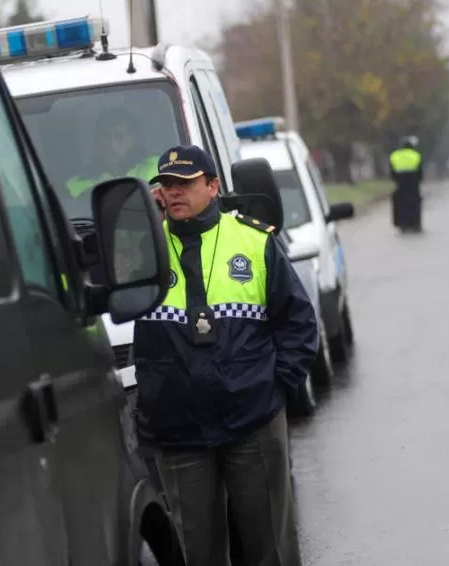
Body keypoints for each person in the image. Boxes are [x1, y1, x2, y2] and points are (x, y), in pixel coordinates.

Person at [132, 145, 318, 566]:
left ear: (213, 187)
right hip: (177, 427)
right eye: (167, 184)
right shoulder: (142, 250)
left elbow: (298, 322)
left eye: (186, 183)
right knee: (198, 553)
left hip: (251, 418)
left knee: (270, 545)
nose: (175, 192)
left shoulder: (253, 242)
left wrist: (276, 389)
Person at [65, 109, 157, 199]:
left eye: (119, 136)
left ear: (131, 140)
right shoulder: (75, 186)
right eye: (105, 137)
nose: (112, 144)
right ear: (96, 141)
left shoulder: (158, 167)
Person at [389, 135, 424, 232]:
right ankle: (415, 224)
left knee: (401, 204)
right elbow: (420, 171)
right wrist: (418, 181)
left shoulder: (394, 155)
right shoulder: (416, 155)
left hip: (400, 182)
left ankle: (402, 224)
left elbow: (392, 172)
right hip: (413, 182)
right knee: (415, 203)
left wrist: (396, 181)